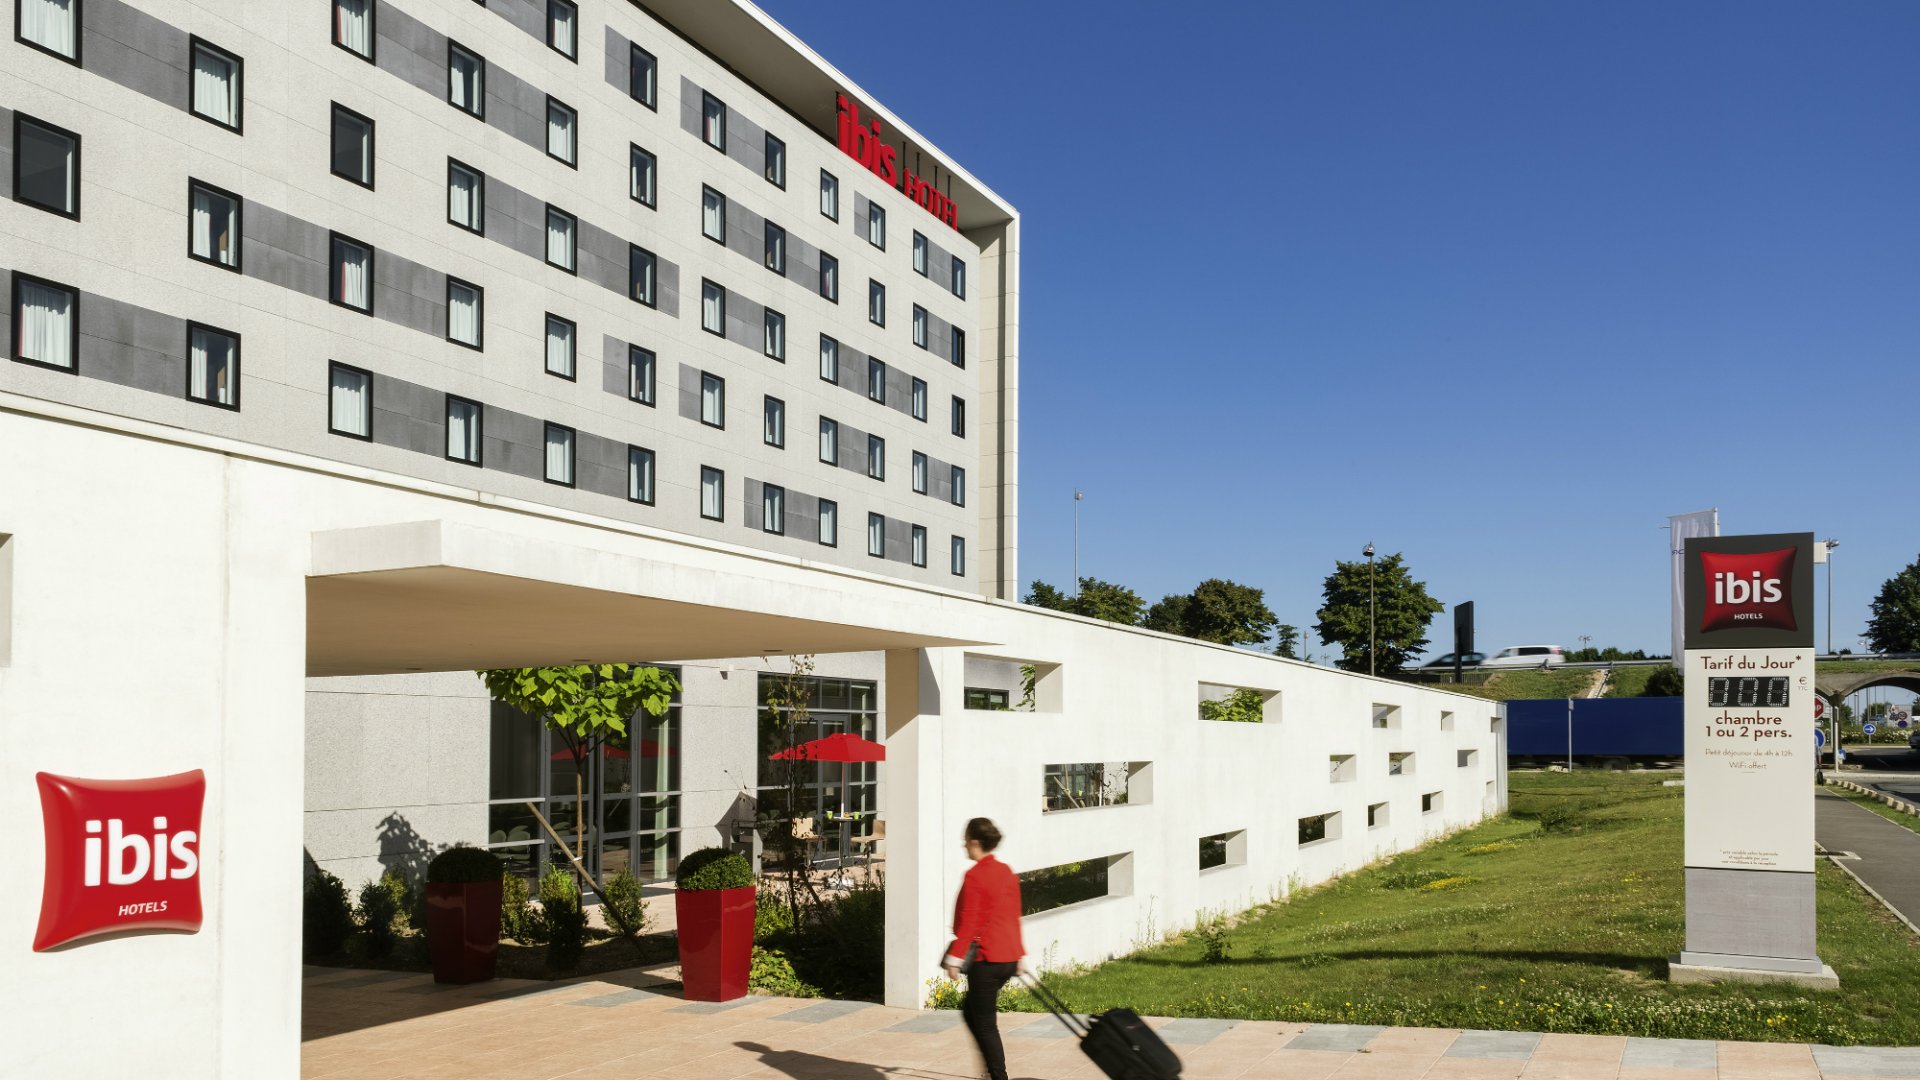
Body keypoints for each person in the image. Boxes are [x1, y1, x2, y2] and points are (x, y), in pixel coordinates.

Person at [943, 817, 1027, 1080]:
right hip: (1007, 958)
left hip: (986, 960)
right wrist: (1020, 955)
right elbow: (1013, 915)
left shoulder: (975, 875)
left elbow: (970, 920)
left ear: (975, 842)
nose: (963, 845)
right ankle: (991, 1072)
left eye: (966, 840)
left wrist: (955, 958)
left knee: (985, 1024)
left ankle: (997, 1076)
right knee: (972, 1013)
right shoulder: (1006, 872)